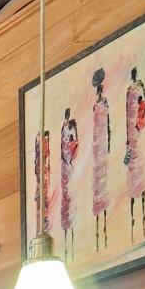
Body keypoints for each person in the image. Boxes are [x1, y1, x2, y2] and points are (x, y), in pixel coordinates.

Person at [126, 66, 145, 238]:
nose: (133, 76)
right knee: (133, 173)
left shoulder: (139, 87)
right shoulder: (129, 91)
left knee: (139, 171)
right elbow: (127, 114)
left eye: (134, 73)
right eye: (133, 74)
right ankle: (135, 220)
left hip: (136, 134)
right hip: (132, 135)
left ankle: (141, 218)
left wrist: (139, 122)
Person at [92, 67, 113, 252]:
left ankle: (103, 234)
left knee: (102, 183)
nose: (99, 90)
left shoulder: (102, 104)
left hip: (101, 145)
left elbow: (106, 125)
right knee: (99, 184)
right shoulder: (98, 105)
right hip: (98, 145)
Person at [59, 107, 79, 256]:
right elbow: (64, 150)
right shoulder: (65, 131)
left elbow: (74, 145)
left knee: (70, 198)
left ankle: (70, 245)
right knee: (67, 199)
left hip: (69, 167)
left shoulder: (71, 132)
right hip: (66, 168)